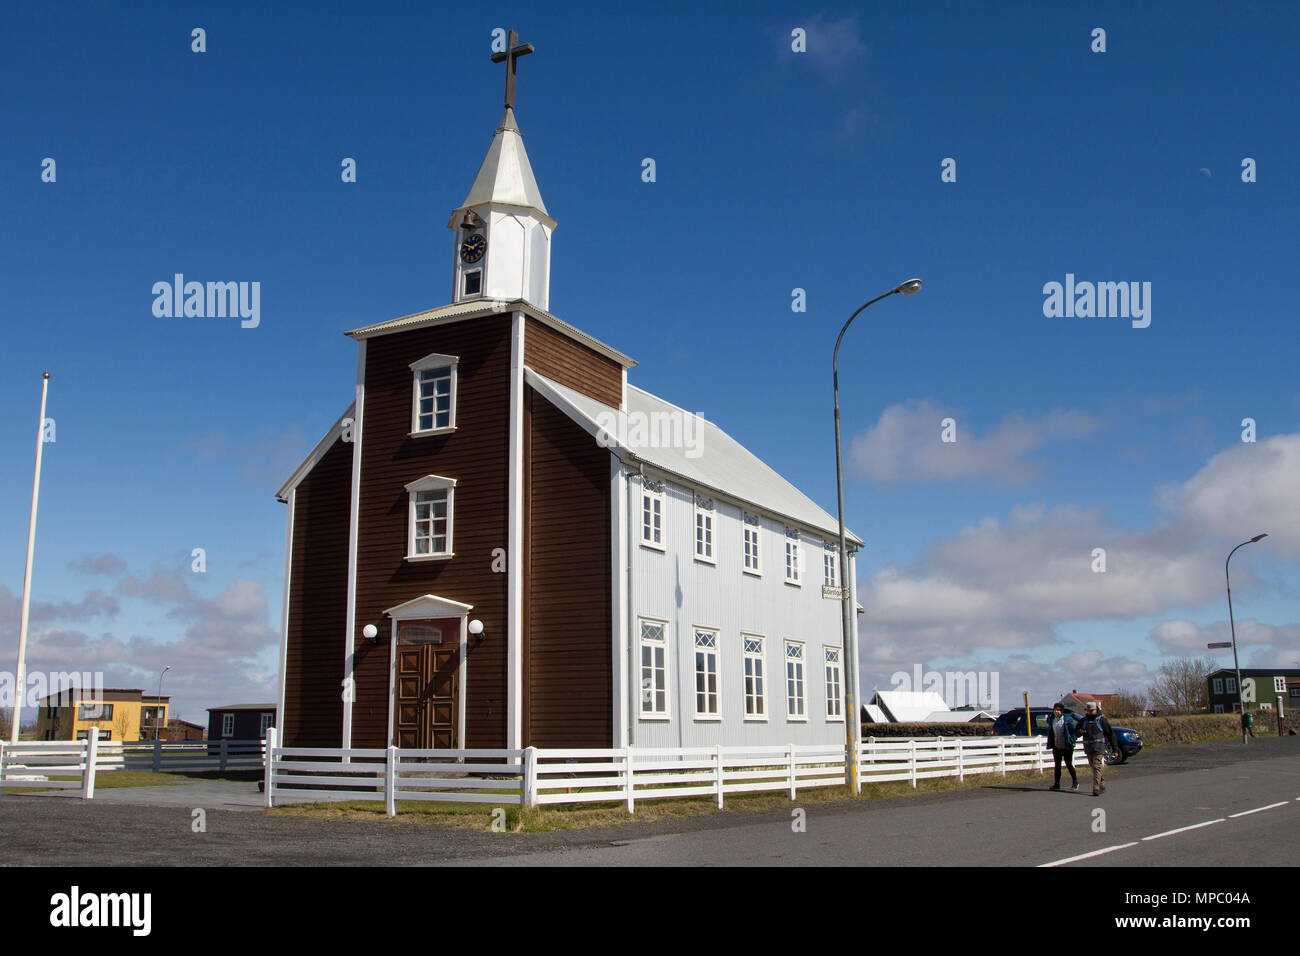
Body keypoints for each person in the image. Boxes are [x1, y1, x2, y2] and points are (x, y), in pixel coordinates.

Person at [1079, 700, 1118, 796]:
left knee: (1096, 766)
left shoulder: (1102, 720)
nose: (1090, 712)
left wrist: (1115, 748)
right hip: (1088, 747)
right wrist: (1080, 731)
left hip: (1099, 747)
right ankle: (1102, 783)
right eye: (1088, 711)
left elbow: (1110, 734)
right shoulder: (1084, 721)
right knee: (1094, 767)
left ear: (1096, 709)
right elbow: (1076, 731)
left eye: (1092, 710)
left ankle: (1096, 787)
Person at [1047, 702, 1081, 791]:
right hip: (1056, 746)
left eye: (1058, 710)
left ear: (1062, 711)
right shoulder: (1052, 720)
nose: (1056, 712)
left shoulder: (1067, 720)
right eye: (1055, 710)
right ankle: (1056, 784)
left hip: (1067, 746)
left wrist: (1072, 740)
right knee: (1057, 766)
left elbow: (1074, 731)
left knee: (1068, 764)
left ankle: (1075, 782)